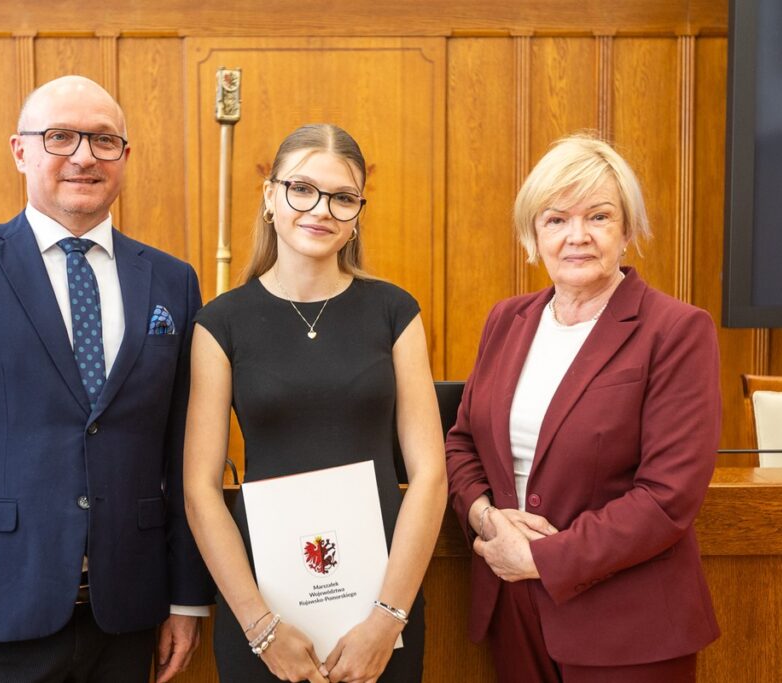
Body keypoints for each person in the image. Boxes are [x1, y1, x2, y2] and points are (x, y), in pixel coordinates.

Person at [0, 75, 214, 683]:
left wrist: (185, 598)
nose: (83, 156)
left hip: (127, 617)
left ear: (125, 157)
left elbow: (184, 454)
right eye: (60, 137)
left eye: (104, 140)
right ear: (20, 151)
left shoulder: (172, 281)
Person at [445, 133, 721, 682]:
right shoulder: (507, 320)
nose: (578, 237)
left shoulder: (677, 331)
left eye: (598, 217)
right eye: (556, 220)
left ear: (627, 232)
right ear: (533, 235)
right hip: (514, 608)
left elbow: (667, 497)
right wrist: (485, 517)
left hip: (627, 625)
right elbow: (462, 441)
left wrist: (543, 559)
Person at [183, 124, 447, 683]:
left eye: (343, 197)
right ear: (271, 196)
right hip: (263, 603)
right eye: (302, 188)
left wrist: (387, 619)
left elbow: (430, 476)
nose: (320, 209)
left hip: (381, 600)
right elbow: (200, 489)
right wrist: (261, 627)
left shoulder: (395, 312)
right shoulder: (219, 322)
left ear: (357, 213)